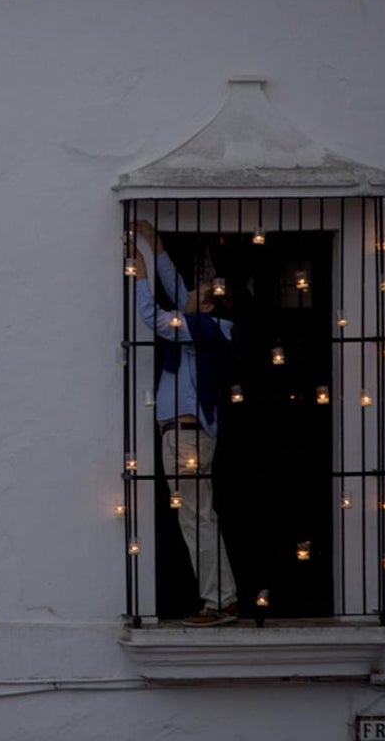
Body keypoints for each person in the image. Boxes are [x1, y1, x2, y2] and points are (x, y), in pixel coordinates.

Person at [131, 219, 238, 627]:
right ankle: (222, 598)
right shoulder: (200, 326)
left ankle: (218, 602)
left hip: (187, 439)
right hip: (186, 435)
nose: (189, 294)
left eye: (199, 293)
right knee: (198, 517)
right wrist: (155, 246)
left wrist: (138, 267)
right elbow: (177, 291)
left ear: (207, 306)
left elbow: (152, 315)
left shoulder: (208, 327)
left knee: (195, 519)